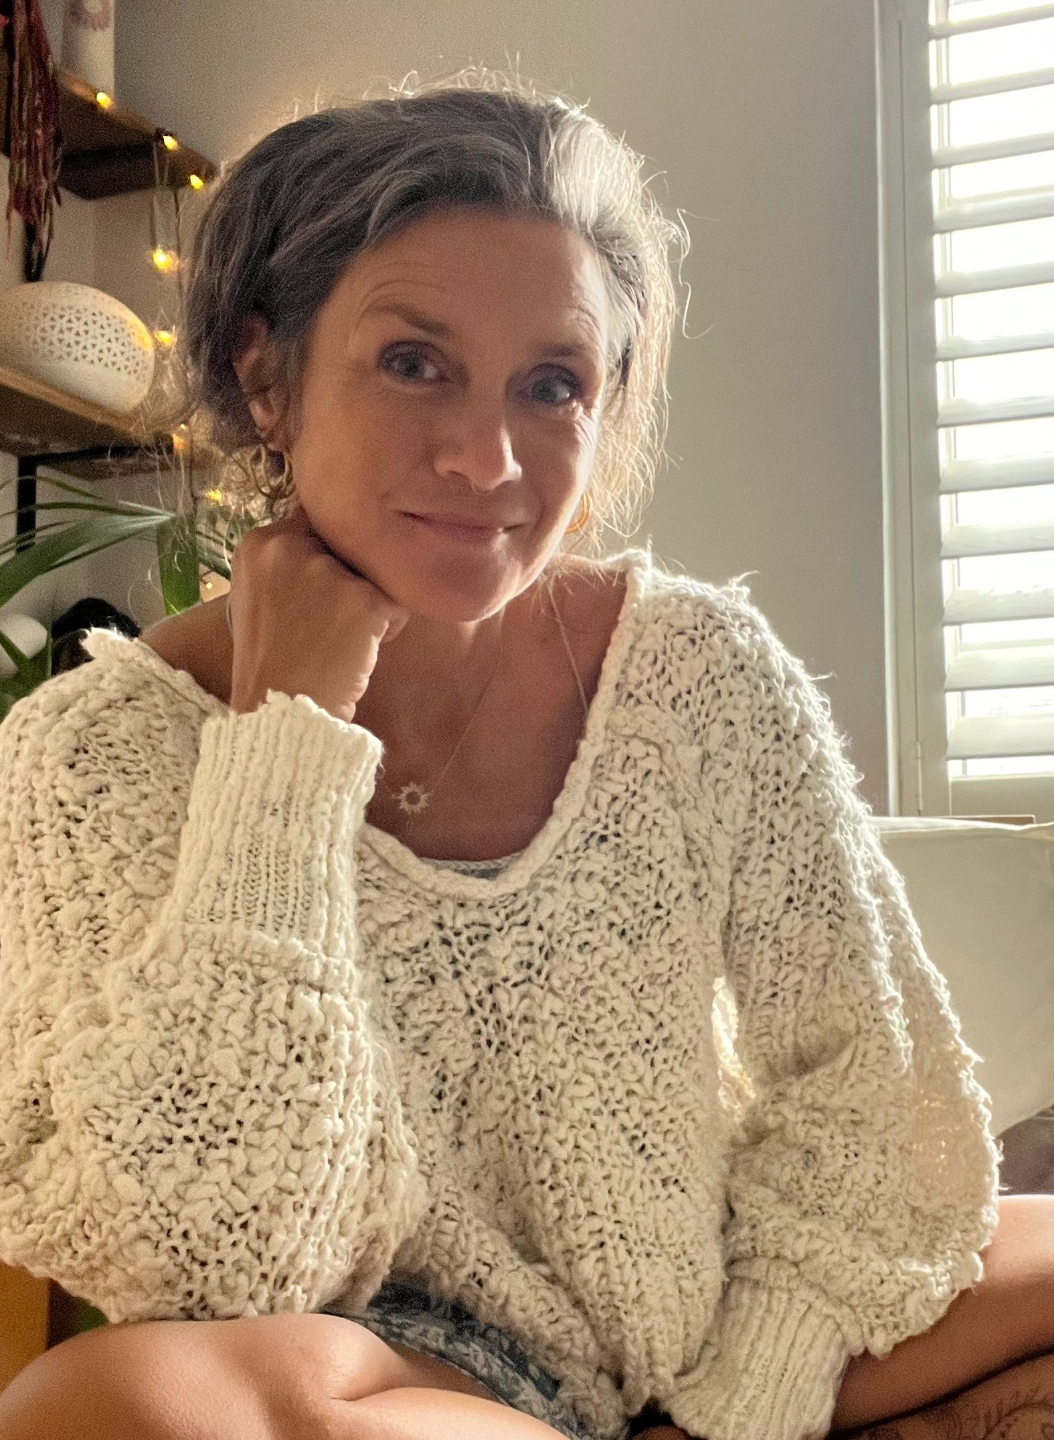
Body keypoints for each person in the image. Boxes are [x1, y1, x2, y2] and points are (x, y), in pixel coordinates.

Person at [0, 66, 1005, 1440]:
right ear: (263, 374)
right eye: (413, 363)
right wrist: (284, 743)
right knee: (103, 1402)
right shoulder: (89, 757)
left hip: (708, 1310)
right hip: (413, 1371)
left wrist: (753, 1398)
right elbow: (219, 1265)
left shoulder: (696, 672)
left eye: (552, 385)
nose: (488, 457)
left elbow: (875, 1090)